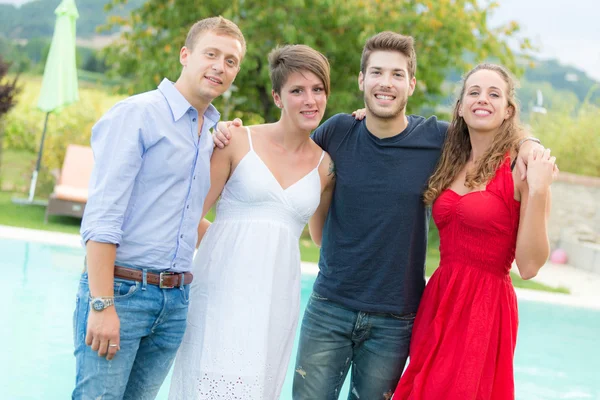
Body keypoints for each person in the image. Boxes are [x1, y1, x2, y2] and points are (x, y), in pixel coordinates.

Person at [213, 32, 543, 400]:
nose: (386, 83)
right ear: (361, 80)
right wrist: (234, 130)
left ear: (411, 84)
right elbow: (289, 145)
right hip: (329, 308)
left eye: (397, 74)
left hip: (396, 319)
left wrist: (532, 144)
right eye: (377, 73)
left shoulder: (438, 140)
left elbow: (494, 131)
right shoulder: (337, 131)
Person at [72, 16, 246, 399]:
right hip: (122, 291)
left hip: (175, 302)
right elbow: (103, 218)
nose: (220, 66)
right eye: (211, 54)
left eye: (231, 61)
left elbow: (183, 216)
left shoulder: (211, 134)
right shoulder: (137, 115)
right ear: (185, 55)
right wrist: (102, 304)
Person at [168, 44, 336, 400]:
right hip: (219, 292)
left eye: (318, 89)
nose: (310, 100)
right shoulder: (236, 141)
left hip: (276, 299)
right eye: (297, 90)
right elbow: (189, 212)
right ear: (277, 96)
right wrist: (230, 244)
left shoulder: (327, 166)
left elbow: (321, 237)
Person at [393, 63, 556, 399]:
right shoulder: (449, 157)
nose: (483, 99)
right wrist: (368, 110)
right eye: (474, 92)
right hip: (439, 300)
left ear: (509, 110)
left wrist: (538, 191)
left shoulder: (523, 168)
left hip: (484, 308)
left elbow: (529, 267)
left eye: (494, 94)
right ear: (461, 106)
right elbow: (397, 128)